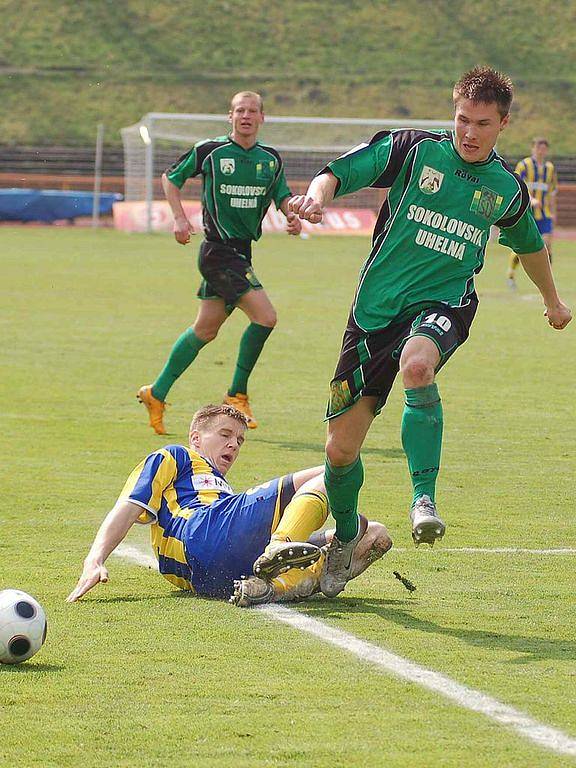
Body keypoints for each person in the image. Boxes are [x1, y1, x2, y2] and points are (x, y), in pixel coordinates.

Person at [289, 66, 572, 598]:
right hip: (374, 311)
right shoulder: (412, 151)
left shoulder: (504, 188)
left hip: (444, 302)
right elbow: (338, 172)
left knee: (417, 365)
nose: (469, 132)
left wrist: (553, 301)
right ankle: (349, 539)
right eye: (463, 119)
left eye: (482, 124)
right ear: (453, 111)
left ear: (502, 124)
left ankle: (424, 498)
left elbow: (530, 246)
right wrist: (317, 198)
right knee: (340, 452)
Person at [67, 404, 392, 606]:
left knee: (374, 534)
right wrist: (94, 560)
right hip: (205, 531)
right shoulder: (176, 456)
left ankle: (272, 587)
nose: (233, 445)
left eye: (239, 440)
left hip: (217, 577)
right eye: (225, 434)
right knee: (332, 472)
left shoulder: (220, 488)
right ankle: (286, 549)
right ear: (196, 437)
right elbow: (127, 506)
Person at [138, 91, 302, 435]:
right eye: (239, 110)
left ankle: (156, 393)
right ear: (230, 117)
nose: (245, 116)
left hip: (241, 252)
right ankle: (236, 394)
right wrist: (179, 219)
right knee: (266, 317)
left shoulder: (270, 159)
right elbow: (171, 178)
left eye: (252, 111)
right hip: (217, 252)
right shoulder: (210, 152)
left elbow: (282, 196)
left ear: (262, 118)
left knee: (205, 329)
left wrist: (292, 216)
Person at [507, 137, 558, 288]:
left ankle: (547, 282)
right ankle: (510, 274)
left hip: (544, 214)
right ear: (533, 149)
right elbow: (517, 186)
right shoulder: (524, 165)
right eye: (538, 148)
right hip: (527, 213)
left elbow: (552, 192)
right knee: (522, 248)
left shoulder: (550, 168)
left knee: (547, 245)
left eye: (544, 148)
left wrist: (553, 212)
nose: (541, 151)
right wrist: (532, 200)